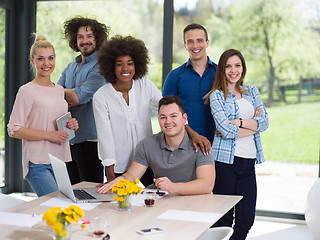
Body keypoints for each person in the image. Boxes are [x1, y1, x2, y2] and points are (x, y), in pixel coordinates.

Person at [204, 49, 269, 240]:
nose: (233, 70)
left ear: (243, 68)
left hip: (248, 163)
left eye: (237, 65)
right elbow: (225, 130)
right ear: (222, 70)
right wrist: (253, 125)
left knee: (246, 220)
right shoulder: (217, 95)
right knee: (224, 220)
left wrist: (238, 122)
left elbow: (265, 123)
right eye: (228, 66)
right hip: (224, 163)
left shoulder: (251, 92)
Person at [97, 95, 215, 195]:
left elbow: (206, 185)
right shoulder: (147, 145)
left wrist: (173, 187)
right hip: (161, 202)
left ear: (184, 119)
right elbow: (132, 175)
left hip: (195, 205)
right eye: (163, 117)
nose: (168, 122)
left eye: (173, 116)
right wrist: (120, 180)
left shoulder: (201, 145)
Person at [7, 34, 79, 197]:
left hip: (59, 161)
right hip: (37, 162)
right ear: (32, 61)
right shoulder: (26, 91)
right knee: (55, 207)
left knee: (63, 211)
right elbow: (14, 129)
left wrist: (71, 124)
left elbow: (55, 121)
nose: (46, 63)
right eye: (40, 59)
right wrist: (50, 135)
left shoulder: (59, 90)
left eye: (50, 58)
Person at [93, 35, 162, 186]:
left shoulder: (146, 86)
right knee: (122, 206)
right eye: (119, 64)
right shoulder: (101, 96)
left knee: (155, 202)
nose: (125, 68)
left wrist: (188, 130)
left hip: (147, 162)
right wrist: (110, 176)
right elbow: (105, 137)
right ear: (111, 66)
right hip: (118, 165)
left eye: (129, 63)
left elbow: (166, 112)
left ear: (137, 64)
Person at [57, 17, 110, 184]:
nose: (84, 41)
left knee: (90, 192)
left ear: (98, 39)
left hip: (90, 142)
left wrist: (63, 92)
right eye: (80, 37)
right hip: (69, 139)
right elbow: (53, 96)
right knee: (72, 192)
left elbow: (77, 98)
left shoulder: (101, 67)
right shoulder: (71, 66)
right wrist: (66, 92)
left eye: (89, 36)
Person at [162, 23, 217, 153]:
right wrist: (193, 135)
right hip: (184, 145)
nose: (195, 45)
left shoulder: (220, 73)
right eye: (190, 42)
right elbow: (168, 115)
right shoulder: (174, 76)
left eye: (200, 40)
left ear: (207, 43)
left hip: (218, 145)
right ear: (185, 45)